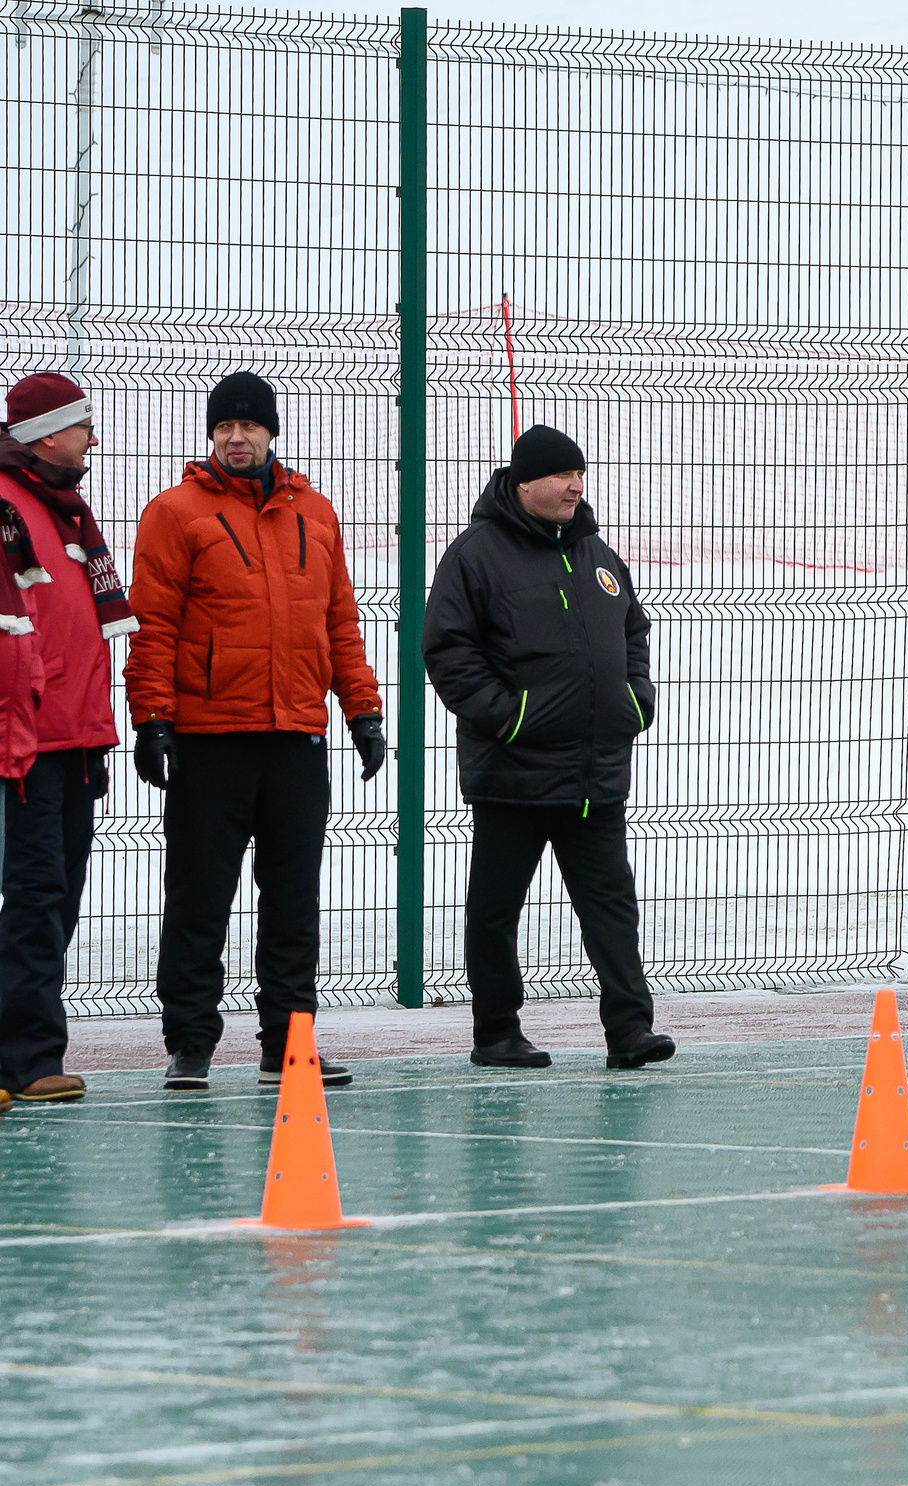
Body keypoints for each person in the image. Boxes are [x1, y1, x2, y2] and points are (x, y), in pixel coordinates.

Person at [128, 371, 385, 1091]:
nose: (236, 437)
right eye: (224, 426)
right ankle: (190, 1044)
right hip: (211, 739)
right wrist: (152, 719)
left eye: (248, 425)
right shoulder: (175, 513)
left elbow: (339, 623)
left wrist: (362, 709)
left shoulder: (316, 514)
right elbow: (153, 626)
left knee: (293, 903)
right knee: (199, 898)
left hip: (296, 737)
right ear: (211, 434)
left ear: (272, 432)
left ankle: (289, 1045)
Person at [424, 426, 672, 1071]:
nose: (575, 486)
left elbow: (634, 632)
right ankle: (497, 1034)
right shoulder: (475, 556)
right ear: (524, 483)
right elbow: (448, 651)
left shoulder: (597, 554)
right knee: (496, 910)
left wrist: (634, 700)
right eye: (562, 475)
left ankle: (630, 1031)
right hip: (514, 771)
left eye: (579, 475)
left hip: (594, 773)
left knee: (611, 906)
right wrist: (511, 719)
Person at [0, 372, 131, 1106]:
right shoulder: (8, 507)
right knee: (36, 895)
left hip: (75, 737)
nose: (92, 438)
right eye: (83, 426)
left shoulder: (66, 511)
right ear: (48, 435)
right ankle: (27, 1059)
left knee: (58, 894)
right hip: (26, 741)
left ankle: (20, 1052)